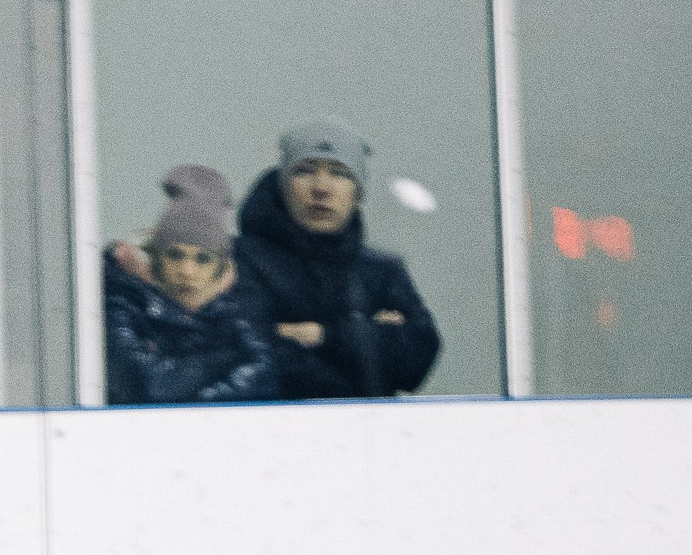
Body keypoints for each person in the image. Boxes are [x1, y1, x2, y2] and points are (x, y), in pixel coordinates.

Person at [232, 118, 440, 400]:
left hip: (371, 427)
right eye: (305, 171)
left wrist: (324, 336)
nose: (321, 187)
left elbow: (418, 357)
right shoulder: (239, 263)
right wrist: (372, 339)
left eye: (339, 173)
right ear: (283, 185)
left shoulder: (381, 272)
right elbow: (254, 359)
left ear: (357, 193)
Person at [104, 165, 277, 405]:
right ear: (157, 258)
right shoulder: (125, 303)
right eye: (175, 255)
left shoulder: (230, 315)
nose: (187, 271)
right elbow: (149, 385)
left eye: (203, 259)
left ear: (220, 270)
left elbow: (264, 375)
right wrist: (223, 360)